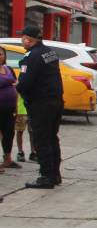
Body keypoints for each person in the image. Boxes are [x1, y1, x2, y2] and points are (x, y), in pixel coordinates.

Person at [16, 23, 63, 189]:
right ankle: (55, 174)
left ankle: (46, 177)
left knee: (41, 140)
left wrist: (18, 87)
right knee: (52, 137)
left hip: (41, 104)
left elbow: (25, 82)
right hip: (55, 102)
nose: (22, 40)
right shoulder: (49, 52)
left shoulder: (32, 56)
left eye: (22, 38)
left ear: (28, 40)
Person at [0, 47, 20, 170]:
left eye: (1, 54)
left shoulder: (9, 69)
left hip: (10, 107)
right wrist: (9, 83)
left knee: (9, 133)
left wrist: (16, 107)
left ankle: (7, 159)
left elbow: (15, 87)